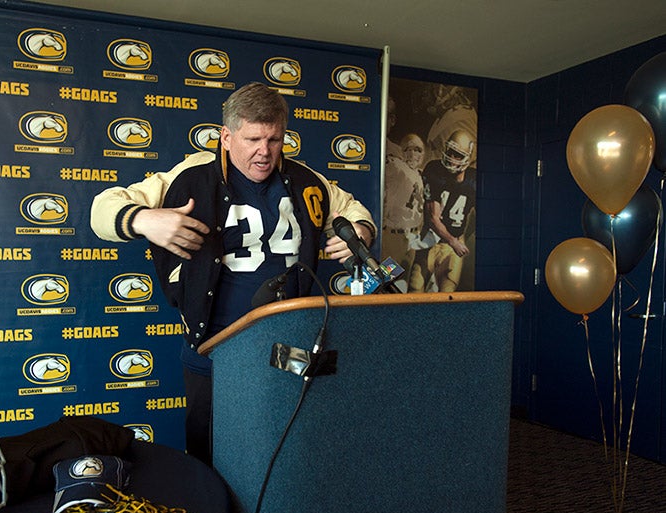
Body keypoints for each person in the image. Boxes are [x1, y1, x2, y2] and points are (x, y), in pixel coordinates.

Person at [91, 82, 377, 464]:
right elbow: (102, 209)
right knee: (210, 455)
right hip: (213, 351)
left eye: (274, 139)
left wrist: (361, 231)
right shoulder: (191, 175)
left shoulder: (305, 178)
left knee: (287, 452)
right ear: (226, 137)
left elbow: (352, 210)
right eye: (253, 139)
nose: (264, 152)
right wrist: (144, 219)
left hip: (288, 349)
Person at [408, 129, 476, 293]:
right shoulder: (434, 170)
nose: (452, 159)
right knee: (414, 290)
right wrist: (454, 241)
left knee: (447, 296)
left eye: (458, 155)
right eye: (451, 152)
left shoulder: (474, 179)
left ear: (468, 157)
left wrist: (461, 237)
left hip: (452, 246)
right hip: (430, 241)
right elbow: (433, 218)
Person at [381, 133, 426, 290]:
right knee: (384, 281)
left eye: (418, 150)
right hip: (394, 237)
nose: (413, 154)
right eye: (408, 149)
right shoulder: (396, 166)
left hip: (411, 238)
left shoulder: (419, 175)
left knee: (402, 285)